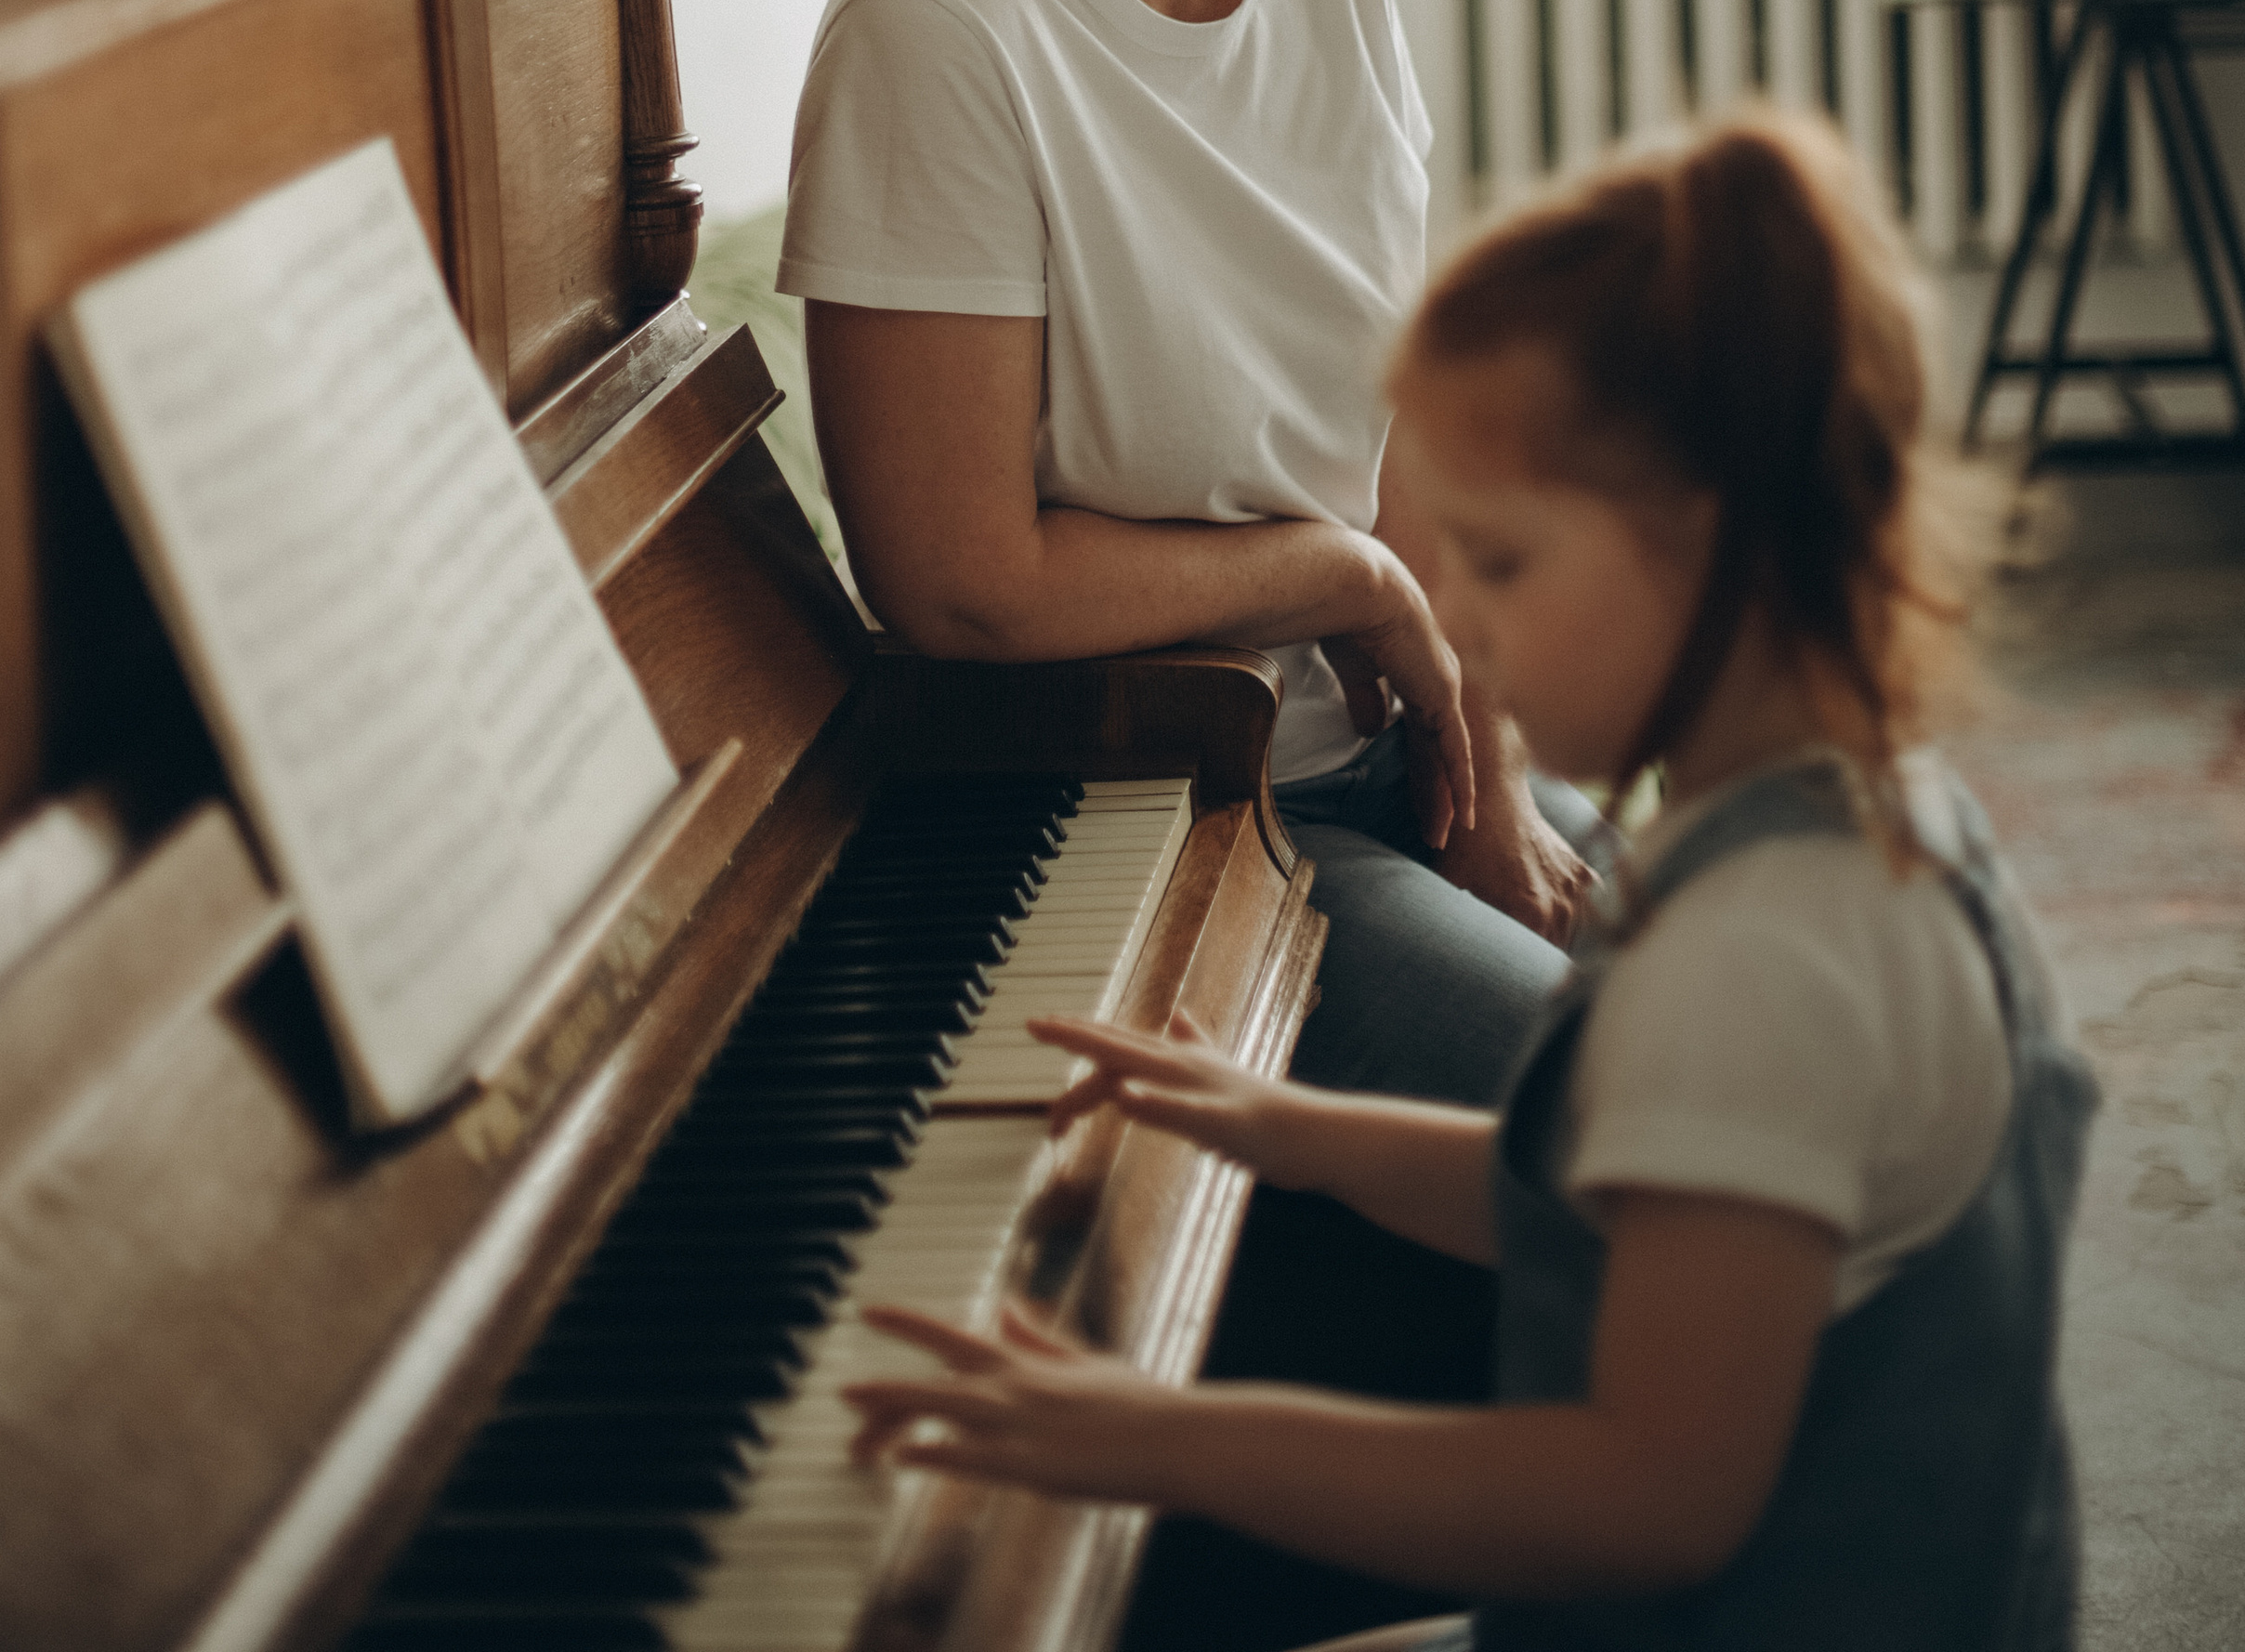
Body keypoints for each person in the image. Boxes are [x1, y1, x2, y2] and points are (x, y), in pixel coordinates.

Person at [843, 114, 2100, 1652]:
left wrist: (1162, 1441)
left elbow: (1638, 1501)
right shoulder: (1843, 819)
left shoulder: (1770, 958)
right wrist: (1292, 1132)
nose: (1453, 623)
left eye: (1499, 565)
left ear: (1718, 552)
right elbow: (1602, 1202)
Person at [779, 0, 1600, 1122]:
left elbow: (1401, 409)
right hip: (1166, 812)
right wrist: (1343, 580)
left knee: (1805, 991)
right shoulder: (935, 22)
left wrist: (1484, 767)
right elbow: (957, 582)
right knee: (1640, 1105)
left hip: (1388, 741)